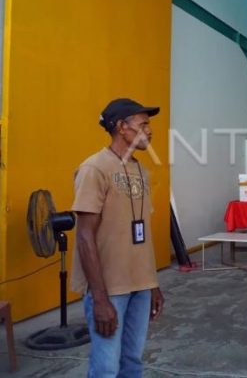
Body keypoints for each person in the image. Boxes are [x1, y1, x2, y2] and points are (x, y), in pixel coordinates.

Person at [71, 98, 165, 377]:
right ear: (122, 127)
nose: (149, 131)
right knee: (106, 369)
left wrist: (152, 284)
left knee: (132, 362)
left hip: (140, 286)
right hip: (110, 289)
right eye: (143, 124)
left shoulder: (141, 171)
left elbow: (142, 233)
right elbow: (84, 236)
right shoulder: (94, 169)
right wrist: (100, 298)